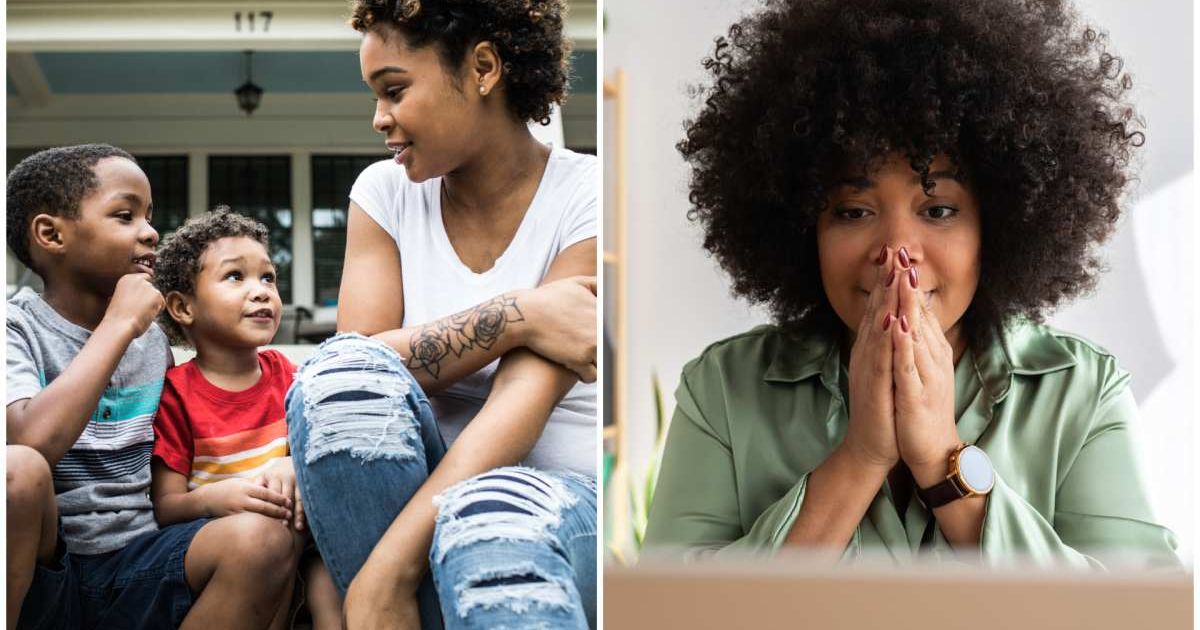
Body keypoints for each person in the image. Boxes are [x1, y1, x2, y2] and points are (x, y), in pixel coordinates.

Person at [643, 0, 1180, 569]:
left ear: (995, 227)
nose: (895, 251)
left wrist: (942, 459)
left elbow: (1138, 613)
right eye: (852, 211)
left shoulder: (1082, 393)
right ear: (804, 229)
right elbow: (667, 615)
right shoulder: (723, 392)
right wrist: (860, 458)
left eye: (940, 210)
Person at [287, 0, 598, 628]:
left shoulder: (588, 194)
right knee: (341, 388)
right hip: (401, 492)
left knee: (489, 525)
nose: (379, 119)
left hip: (554, 501)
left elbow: (523, 397)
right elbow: (354, 372)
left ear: (483, 67)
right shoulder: (383, 195)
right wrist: (518, 314)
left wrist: (386, 572)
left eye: (394, 90)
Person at [6, 145, 298, 630]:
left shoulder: (152, 340)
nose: (149, 231)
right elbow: (28, 442)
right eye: (125, 215)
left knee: (262, 539)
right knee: (16, 469)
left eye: (148, 215)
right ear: (51, 234)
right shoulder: (17, 328)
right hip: (45, 564)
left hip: (141, 557)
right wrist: (119, 324)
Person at [148, 208, 343, 629]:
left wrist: (294, 462)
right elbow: (165, 506)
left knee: (331, 585)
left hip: (305, 544)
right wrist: (215, 498)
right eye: (235, 276)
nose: (261, 292)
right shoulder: (175, 394)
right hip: (226, 558)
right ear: (183, 307)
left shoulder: (291, 377)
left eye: (268, 277)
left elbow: (323, 449)